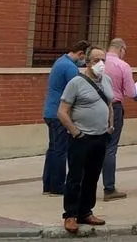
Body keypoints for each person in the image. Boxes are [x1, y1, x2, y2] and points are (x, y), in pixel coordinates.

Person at [56, 47, 112, 234]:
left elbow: (110, 103)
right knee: (75, 177)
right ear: (87, 62)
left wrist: (110, 124)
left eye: (103, 59)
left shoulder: (107, 81)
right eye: (96, 60)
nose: (100, 64)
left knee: (93, 176)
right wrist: (75, 131)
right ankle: (70, 214)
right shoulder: (76, 83)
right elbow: (62, 112)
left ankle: (86, 211)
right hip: (81, 138)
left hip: (101, 136)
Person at [43, 40, 90, 196]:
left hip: (50, 111)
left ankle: (48, 184)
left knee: (53, 149)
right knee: (60, 150)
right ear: (81, 54)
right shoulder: (70, 67)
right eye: (85, 57)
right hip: (60, 114)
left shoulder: (60, 61)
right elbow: (76, 90)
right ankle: (57, 185)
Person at [102, 38, 135, 201]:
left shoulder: (98, 62)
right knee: (110, 148)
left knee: (93, 145)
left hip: (95, 106)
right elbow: (131, 92)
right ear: (121, 49)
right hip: (114, 107)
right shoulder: (123, 66)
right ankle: (109, 188)